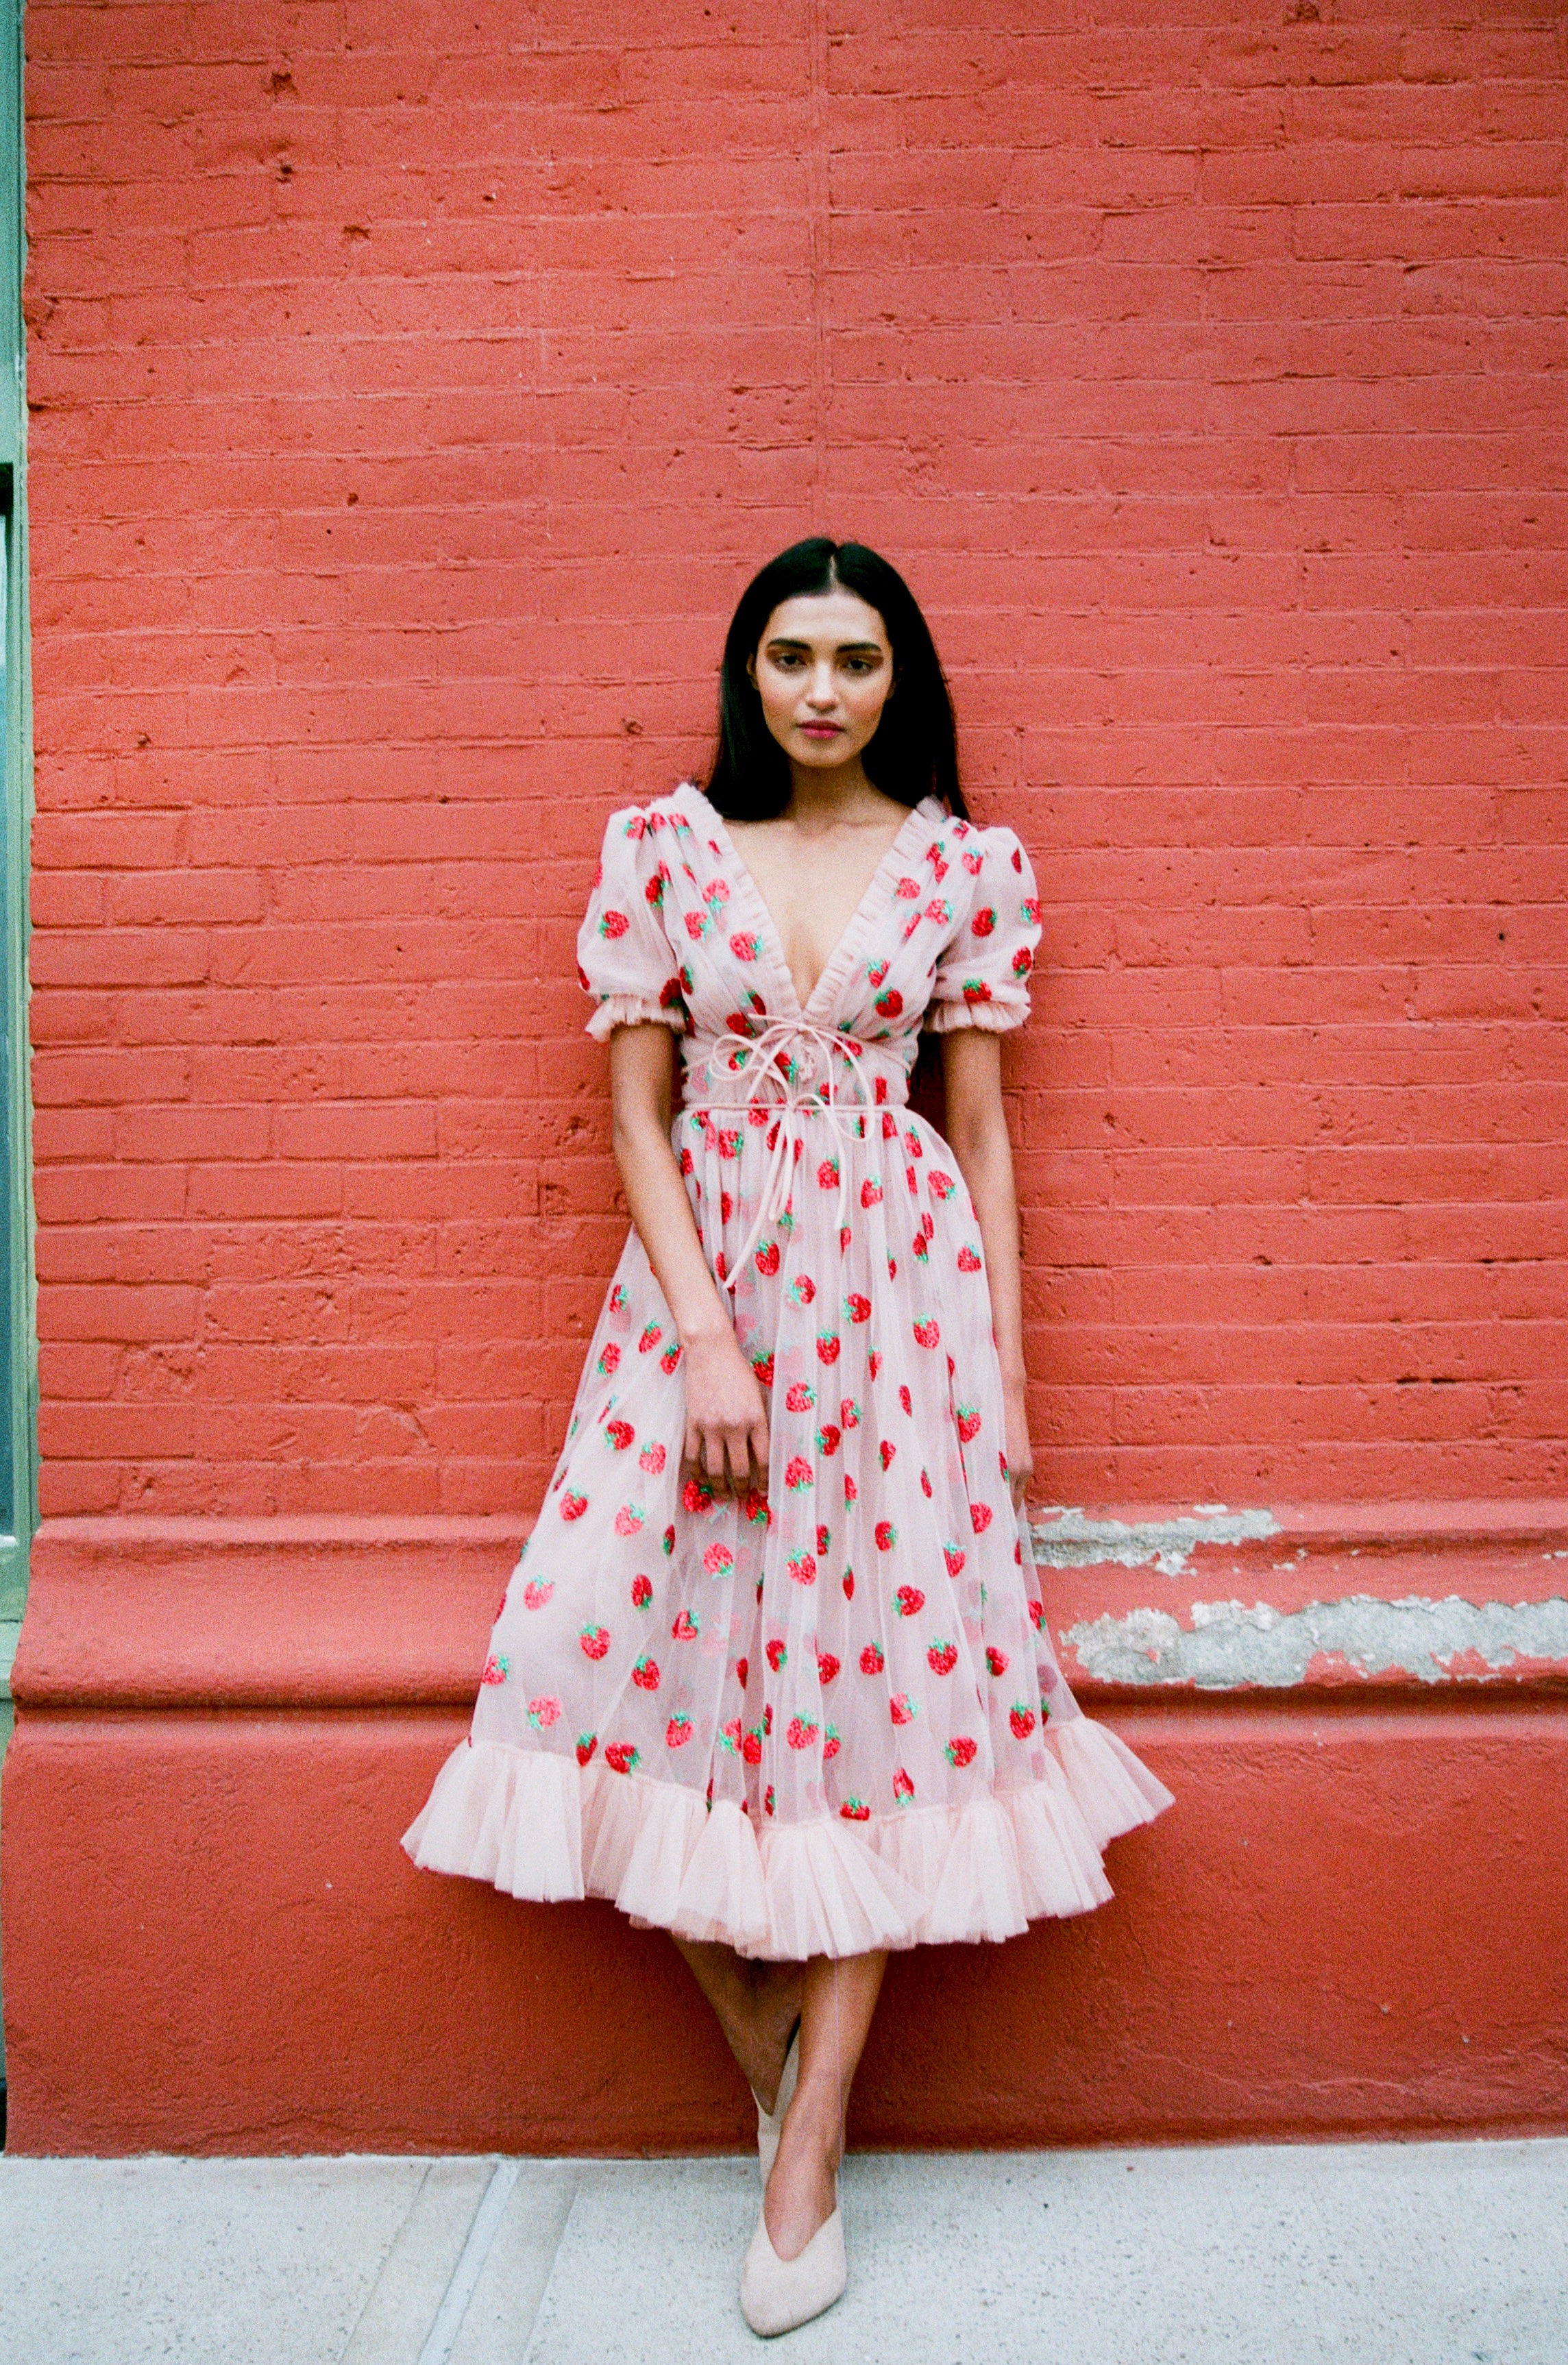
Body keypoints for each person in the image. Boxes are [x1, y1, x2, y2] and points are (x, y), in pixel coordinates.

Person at [403, 537, 1173, 2336]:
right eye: (792, 656)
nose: (824, 689)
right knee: (573, 1658)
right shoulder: (668, 848)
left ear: (900, 678)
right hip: (711, 1305)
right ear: (747, 671)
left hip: (900, 1318)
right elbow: (636, 1118)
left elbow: (977, 1132)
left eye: (858, 659)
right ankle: (763, 2036)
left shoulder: (962, 864)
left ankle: (811, 2131)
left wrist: (1006, 1372)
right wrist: (703, 1343)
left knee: (885, 1707)